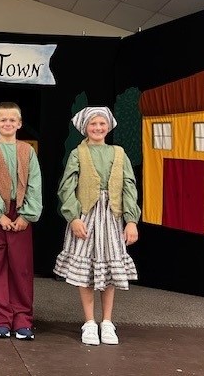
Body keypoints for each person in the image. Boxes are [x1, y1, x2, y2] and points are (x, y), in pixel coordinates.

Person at [53, 106, 140, 346]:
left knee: (109, 270)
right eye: (93, 124)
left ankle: (108, 322)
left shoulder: (119, 153)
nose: (98, 128)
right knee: (86, 271)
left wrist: (131, 220)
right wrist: (73, 217)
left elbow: (129, 186)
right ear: (85, 127)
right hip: (86, 216)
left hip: (112, 216)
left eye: (102, 124)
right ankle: (89, 322)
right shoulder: (77, 153)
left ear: (109, 126)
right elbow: (66, 187)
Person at [0, 102, 43, 340]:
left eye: (12, 120)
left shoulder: (27, 151)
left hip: (22, 212)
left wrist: (27, 215)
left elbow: (35, 184)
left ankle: (23, 319)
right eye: (2, 120)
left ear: (20, 123)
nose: (7, 123)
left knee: (21, 268)